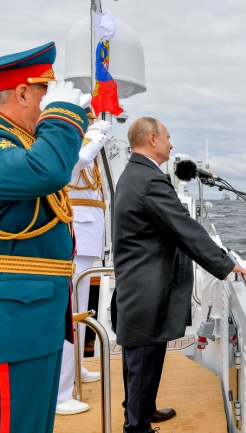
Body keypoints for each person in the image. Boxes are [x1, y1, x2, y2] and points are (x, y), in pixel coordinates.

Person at [113, 117, 246, 433]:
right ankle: (136, 427)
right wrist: (224, 264)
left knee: (145, 354)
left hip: (138, 280)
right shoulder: (149, 180)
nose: (171, 144)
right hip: (146, 284)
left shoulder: (133, 173)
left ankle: (143, 410)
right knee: (142, 357)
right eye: (167, 138)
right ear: (152, 139)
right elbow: (184, 228)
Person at [0, 42, 89, 433]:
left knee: (34, 422)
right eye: (45, 94)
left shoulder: (21, 144)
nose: (48, 105)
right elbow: (47, 171)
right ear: (22, 94)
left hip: (36, 316)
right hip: (13, 322)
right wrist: (63, 115)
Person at [55, 116, 113, 415]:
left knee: (79, 315)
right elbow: (75, 163)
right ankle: (61, 393)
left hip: (88, 239)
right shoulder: (71, 147)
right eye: (86, 121)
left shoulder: (85, 150)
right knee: (71, 317)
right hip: (77, 236)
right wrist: (96, 135)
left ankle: (76, 370)